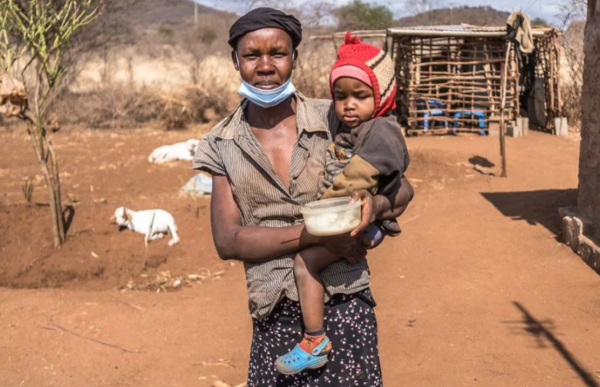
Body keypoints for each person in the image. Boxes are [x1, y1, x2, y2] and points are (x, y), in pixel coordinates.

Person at [193, 8, 414, 387]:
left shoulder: (338, 118)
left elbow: (403, 188)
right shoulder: (219, 144)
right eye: (251, 55)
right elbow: (228, 241)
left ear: (294, 57)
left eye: (277, 53)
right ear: (235, 60)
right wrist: (317, 235)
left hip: (345, 304)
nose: (265, 66)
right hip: (273, 316)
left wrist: (373, 207)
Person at [275, 32, 410, 375]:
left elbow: (357, 180)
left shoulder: (381, 131)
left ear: (382, 96)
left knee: (305, 262)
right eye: (340, 96)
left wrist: (322, 219)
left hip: (356, 219)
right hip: (356, 219)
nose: (348, 104)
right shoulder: (354, 125)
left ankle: (315, 340)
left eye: (360, 96)